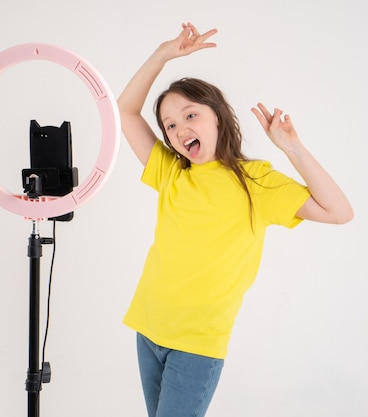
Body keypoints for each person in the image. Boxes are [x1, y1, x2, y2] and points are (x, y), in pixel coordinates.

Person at [117, 22, 353, 417]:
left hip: (197, 344)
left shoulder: (254, 181)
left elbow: (339, 211)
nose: (179, 130)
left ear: (219, 119)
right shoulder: (171, 173)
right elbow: (124, 111)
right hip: (148, 328)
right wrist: (161, 55)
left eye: (190, 115)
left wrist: (292, 146)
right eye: (170, 125)